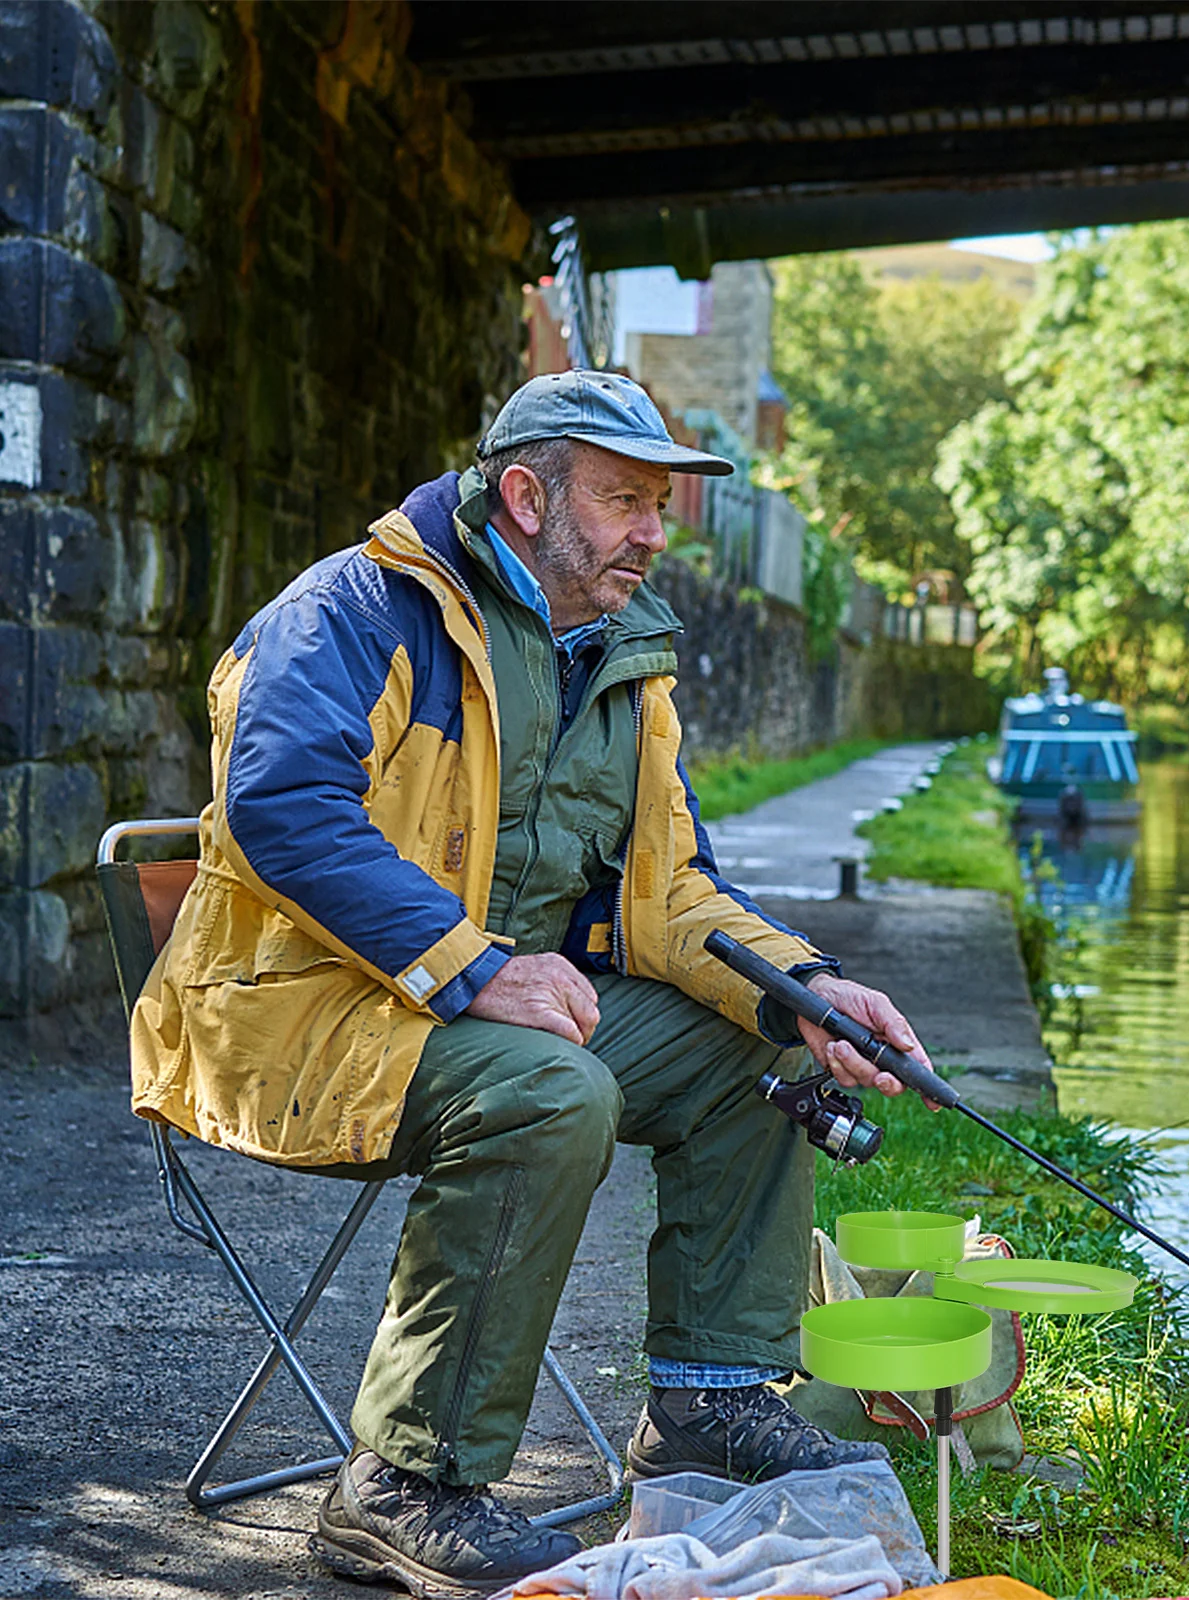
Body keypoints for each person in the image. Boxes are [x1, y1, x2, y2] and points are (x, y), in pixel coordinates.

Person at [130, 370, 932, 1598]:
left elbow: (672, 899)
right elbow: (283, 810)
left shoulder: (625, 658)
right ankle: (405, 1482)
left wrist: (812, 987)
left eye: (659, 505)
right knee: (550, 1091)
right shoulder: (353, 609)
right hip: (295, 1018)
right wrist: (474, 968)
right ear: (524, 495)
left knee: (761, 1047)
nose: (653, 534)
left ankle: (711, 1403)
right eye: (625, 500)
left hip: (500, 1022)